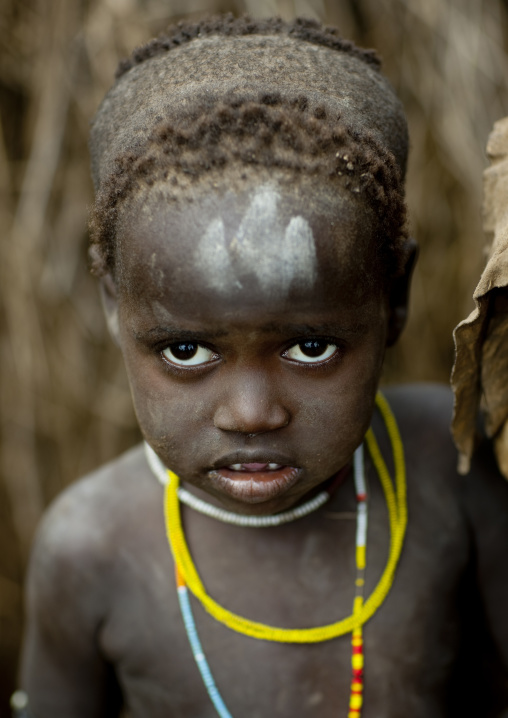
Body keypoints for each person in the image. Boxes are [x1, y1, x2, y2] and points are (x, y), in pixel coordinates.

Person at [18, 15, 508, 718]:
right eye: (185, 350)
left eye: (311, 347)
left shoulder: (453, 465)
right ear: (113, 306)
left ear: (394, 298)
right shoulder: (91, 549)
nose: (251, 412)